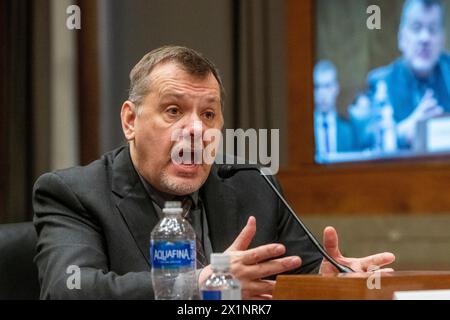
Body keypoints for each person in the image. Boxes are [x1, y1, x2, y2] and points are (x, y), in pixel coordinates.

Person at [33, 46, 395, 300]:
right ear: (130, 120)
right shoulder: (74, 193)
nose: (196, 129)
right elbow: (68, 291)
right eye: (174, 111)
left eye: (208, 115)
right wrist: (199, 284)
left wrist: (327, 283)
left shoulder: (254, 184)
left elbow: (303, 271)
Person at [367, 0, 450, 149]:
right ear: (401, 38)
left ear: (442, 39)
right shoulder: (381, 83)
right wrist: (401, 133)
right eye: (416, 28)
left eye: (432, 29)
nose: (424, 38)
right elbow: (367, 142)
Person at [313, 60, 354, 158]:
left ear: (336, 88)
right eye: (317, 87)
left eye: (327, 86)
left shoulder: (350, 130)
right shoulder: (303, 131)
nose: (322, 93)